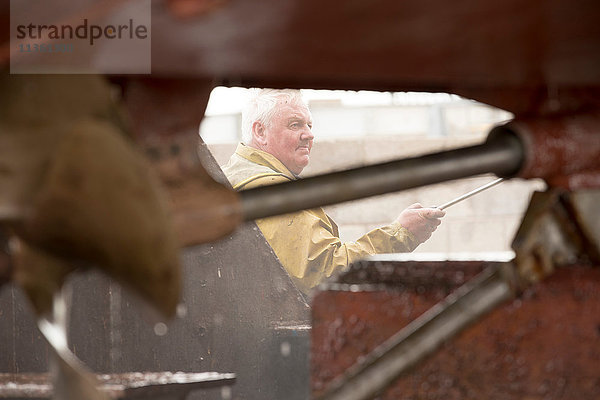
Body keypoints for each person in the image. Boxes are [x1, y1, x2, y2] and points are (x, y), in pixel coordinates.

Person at [222, 89, 445, 295]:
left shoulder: (233, 177)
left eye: (309, 125)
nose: (309, 135)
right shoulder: (269, 190)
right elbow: (326, 271)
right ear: (260, 131)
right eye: (295, 125)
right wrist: (401, 234)